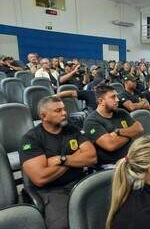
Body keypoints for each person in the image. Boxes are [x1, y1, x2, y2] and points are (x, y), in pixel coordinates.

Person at [19, 96, 97, 229]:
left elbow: (91, 157)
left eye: (64, 109)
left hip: (81, 181)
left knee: (105, 211)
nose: (64, 113)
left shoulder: (72, 129)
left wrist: (62, 160)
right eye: (58, 110)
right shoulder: (31, 139)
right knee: (65, 224)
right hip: (52, 190)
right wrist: (76, 157)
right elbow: (40, 177)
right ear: (44, 116)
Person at [83, 84, 143, 166]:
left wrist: (118, 132)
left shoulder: (121, 112)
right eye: (113, 97)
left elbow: (139, 129)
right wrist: (131, 134)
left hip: (131, 158)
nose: (117, 100)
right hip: (111, 166)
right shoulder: (91, 121)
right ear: (101, 101)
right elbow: (110, 145)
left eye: (117, 96)